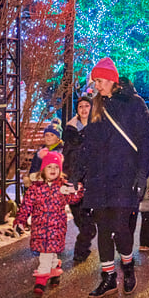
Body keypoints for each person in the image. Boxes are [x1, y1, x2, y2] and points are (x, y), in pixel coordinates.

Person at [79, 57, 149, 298]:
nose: (96, 86)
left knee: (121, 227)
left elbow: (145, 142)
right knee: (103, 228)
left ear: (111, 79)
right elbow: (91, 144)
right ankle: (108, 277)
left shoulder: (135, 103)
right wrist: (81, 172)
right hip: (100, 177)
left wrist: (142, 175)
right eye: (94, 82)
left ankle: (128, 265)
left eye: (99, 81)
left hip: (125, 175)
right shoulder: (96, 105)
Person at [13, 151, 84, 295]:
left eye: (56, 167)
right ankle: (54, 270)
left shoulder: (62, 187)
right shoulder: (35, 188)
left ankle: (41, 278)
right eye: (50, 167)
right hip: (39, 227)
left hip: (56, 228)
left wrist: (76, 190)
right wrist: (20, 220)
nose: (53, 170)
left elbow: (74, 199)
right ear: (43, 169)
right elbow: (26, 205)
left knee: (47, 251)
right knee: (46, 251)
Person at [63, 96, 94, 262]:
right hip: (76, 180)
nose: (84, 109)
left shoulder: (99, 128)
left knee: (89, 222)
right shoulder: (70, 131)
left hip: (94, 180)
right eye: (81, 106)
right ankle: (82, 247)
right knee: (81, 219)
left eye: (87, 106)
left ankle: (81, 250)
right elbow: (67, 157)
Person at [26, 117, 64, 187]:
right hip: (39, 182)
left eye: (52, 135)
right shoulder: (41, 151)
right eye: (46, 135)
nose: (48, 137)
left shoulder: (62, 151)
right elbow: (34, 167)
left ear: (58, 138)